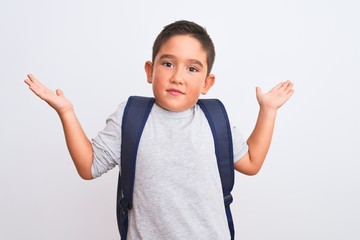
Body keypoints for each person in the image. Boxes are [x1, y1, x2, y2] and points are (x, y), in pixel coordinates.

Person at [24, 20, 294, 239]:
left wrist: (268, 111)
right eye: (168, 64)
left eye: (191, 68)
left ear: (206, 83)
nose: (177, 76)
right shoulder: (131, 115)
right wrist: (66, 112)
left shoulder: (215, 119)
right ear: (150, 71)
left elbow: (251, 162)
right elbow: (89, 166)